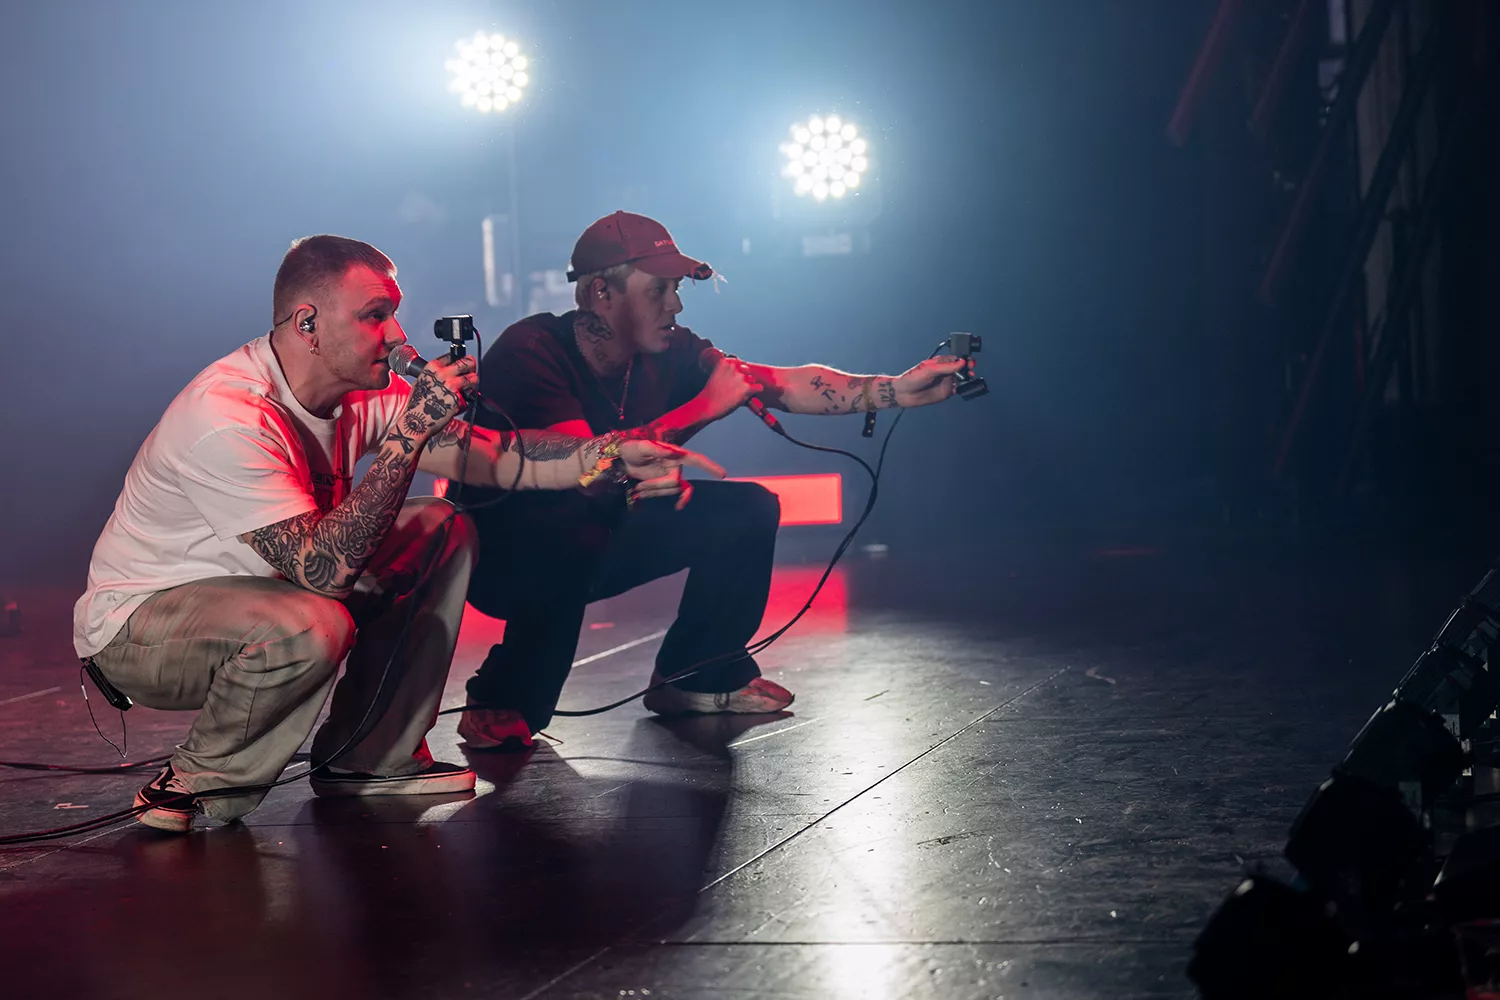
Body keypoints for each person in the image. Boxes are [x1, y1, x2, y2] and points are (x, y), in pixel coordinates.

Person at [73, 234, 723, 833]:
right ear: (307, 323)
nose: (397, 335)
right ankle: (191, 785)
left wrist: (610, 454)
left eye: (394, 314)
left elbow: (494, 456)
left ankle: (371, 756)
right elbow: (324, 572)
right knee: (312, 623)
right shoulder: (231, 415)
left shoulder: (359, 394)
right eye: (375, 315)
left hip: (266, 596)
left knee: (441, 527)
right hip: (142, 630)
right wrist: (410, 434)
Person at [458, 211, 971, 750]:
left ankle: (696, 675)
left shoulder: (669, 350)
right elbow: (584, 470)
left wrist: (893, 390)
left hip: (600, 530)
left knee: (746, 510)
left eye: (676, 289)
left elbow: (777, 384)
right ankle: (502, 697)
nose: (675, 305)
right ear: (602, 293)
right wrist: (704, 407)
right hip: (510, 557)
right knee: (575, 527)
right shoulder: (533, 350)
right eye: (658, 290)